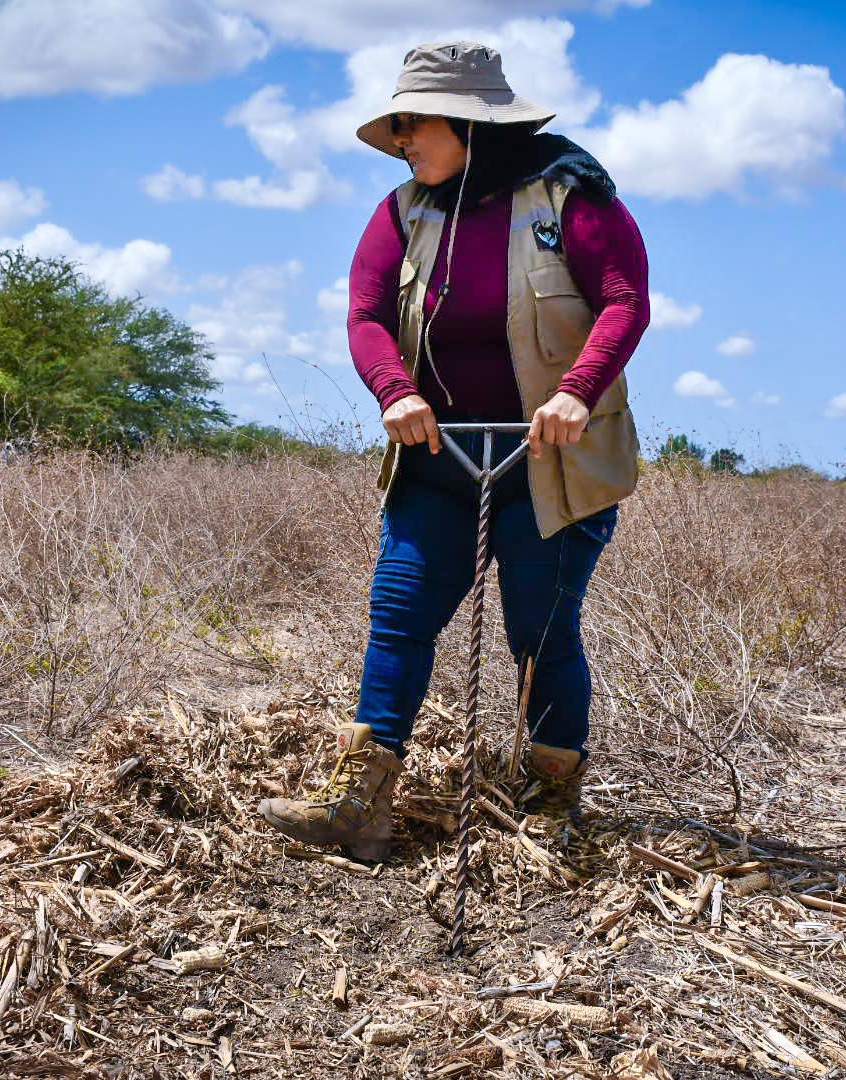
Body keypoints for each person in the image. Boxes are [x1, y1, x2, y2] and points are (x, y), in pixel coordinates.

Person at [257, 41, 649, 861]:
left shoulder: (570, 199)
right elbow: (366, 316)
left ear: (468, 122)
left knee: (540, 630)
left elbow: (624, 301)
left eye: (414, 123)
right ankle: (357, 800)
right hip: (438, 455)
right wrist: (396, 391)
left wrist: (576, 390)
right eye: (397, 126)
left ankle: (549, 802)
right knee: (398, 614)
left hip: (549, 459)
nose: (403, 140)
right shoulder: (403, 210)